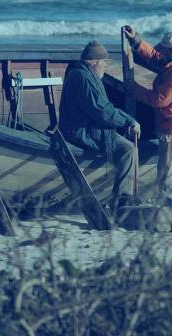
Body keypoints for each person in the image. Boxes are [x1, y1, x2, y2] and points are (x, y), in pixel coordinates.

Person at [58, 40, 141, 213]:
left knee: (120, 142)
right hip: (82, 132)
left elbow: (101, 110)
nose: (105, 65)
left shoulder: (81, 74)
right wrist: (129, 121)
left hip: (81, 127)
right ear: (94, 62)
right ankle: (121, 201)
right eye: (104, 62)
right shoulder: (84, 78)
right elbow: (101, 111)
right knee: (128, 150)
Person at [123, 26, 172, 218]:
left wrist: (134, 88)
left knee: (169, 175)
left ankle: (169, 217)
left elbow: (159, 100)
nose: (161, 53)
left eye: (164, 50)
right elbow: (157, 56)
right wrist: (137, 41)